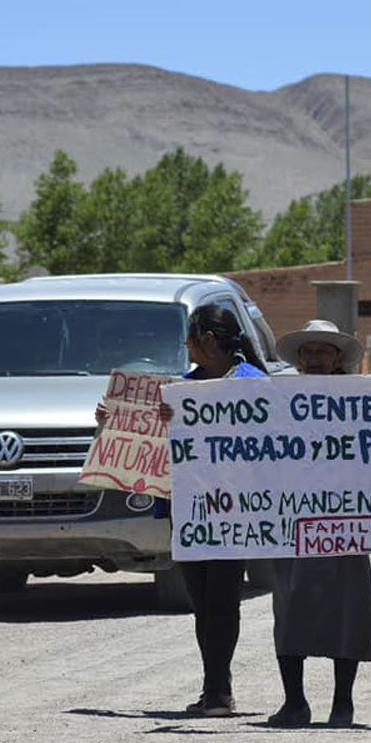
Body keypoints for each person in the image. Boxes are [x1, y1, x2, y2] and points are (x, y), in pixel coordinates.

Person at [95, 303, 268, 717]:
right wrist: (113, 420)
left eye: (189, 338)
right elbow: (152, 438)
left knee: (223, 598)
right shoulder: (180, 389)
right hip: (187, 508)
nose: (186, 345)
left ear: (208, 340)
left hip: (233, 509)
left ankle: (219, 690)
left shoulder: (254, 384)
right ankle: (213, 686)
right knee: (201, 598)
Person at [267, 319, 371, 728]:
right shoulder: (274, 398)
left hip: (345, 520)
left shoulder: (364, 399)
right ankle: (294, 702)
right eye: (308, 351)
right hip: (291, 519)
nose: (315, 358)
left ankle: (342, 704)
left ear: (337, 359)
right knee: (289, 608)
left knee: (347, 611)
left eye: (323, 351)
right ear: (299, 359)